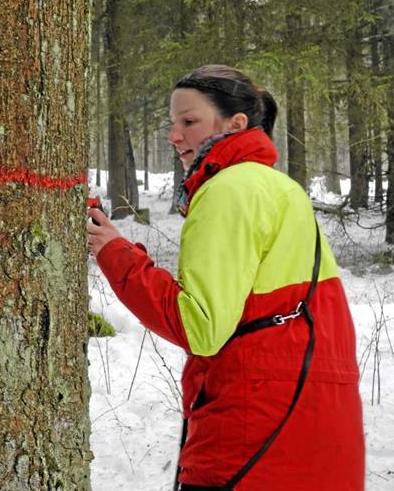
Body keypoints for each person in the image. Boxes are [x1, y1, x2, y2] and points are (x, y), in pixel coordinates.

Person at [87, 65, 364, 490]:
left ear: (236, 124)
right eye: (172, 124)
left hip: (256, 430)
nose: (173, 136)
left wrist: (115, 254)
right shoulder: (277, 187)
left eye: (189, 122)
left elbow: (201, 327)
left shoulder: (228, 188)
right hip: (316, 422)